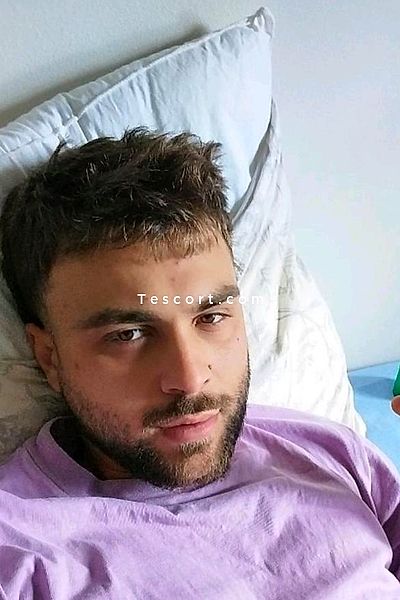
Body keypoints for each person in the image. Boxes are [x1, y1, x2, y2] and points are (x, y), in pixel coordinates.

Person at [0, 128, 399, 600]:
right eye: (128, 334)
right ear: (49, 357)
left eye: (211, 317)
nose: (190, 379)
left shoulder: (330, 451)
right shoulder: (19, 547)